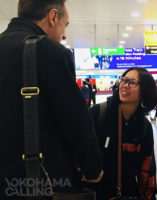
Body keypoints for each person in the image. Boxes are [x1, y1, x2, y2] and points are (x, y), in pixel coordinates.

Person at [0, 0, 103, 199]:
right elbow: (76, 123)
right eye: (66, 25)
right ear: (53, 16)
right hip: (39, 182)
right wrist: (93, 169)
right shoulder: (50, 52)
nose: (64, 34)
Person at [90, 67, 157, 199]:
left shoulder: (144, 127)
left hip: (126, 192)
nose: (125, 85)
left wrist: (150, 196)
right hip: (95, 192)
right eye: (124, 80)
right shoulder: (99, 113)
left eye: (132, 82)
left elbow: (147, 168)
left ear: (145, 90)